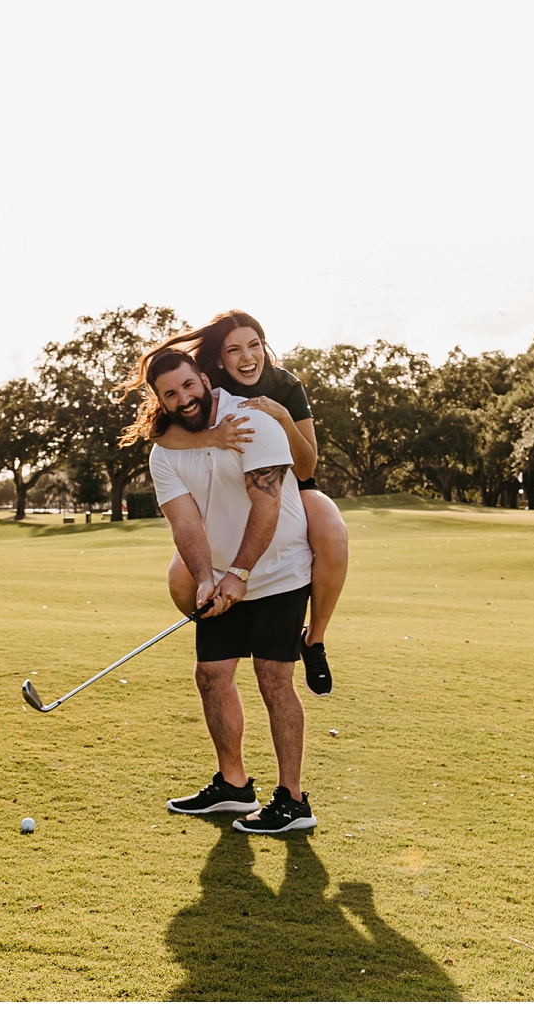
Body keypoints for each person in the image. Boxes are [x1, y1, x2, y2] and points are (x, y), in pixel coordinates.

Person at [128, 348, 318, 834]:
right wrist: (208, 577)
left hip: (279, 571)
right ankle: (234, 786)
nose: (183, 399)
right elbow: (185, 523)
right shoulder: (164, 450)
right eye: (170, 394)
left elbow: (267, 504)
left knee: (274, 679)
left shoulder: (253, 420)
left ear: (204, 381)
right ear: (160, 400)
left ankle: (293, 801)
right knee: (211, 676)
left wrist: (239, 572)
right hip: (223, 576)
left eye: (188, 386)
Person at [125, 310, 347, 697]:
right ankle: (237, 633)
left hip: (294, 485)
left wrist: (282, 418)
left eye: (254, 345)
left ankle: (314, 640)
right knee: (181, 580)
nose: (246, 357)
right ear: (218, 361)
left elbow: (308, 463)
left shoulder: (286, 385)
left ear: (264, 347)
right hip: (229, 489)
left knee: (332, 532)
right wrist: (210, 438)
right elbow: (160, 435)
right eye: (234, 350)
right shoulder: (206, 384)